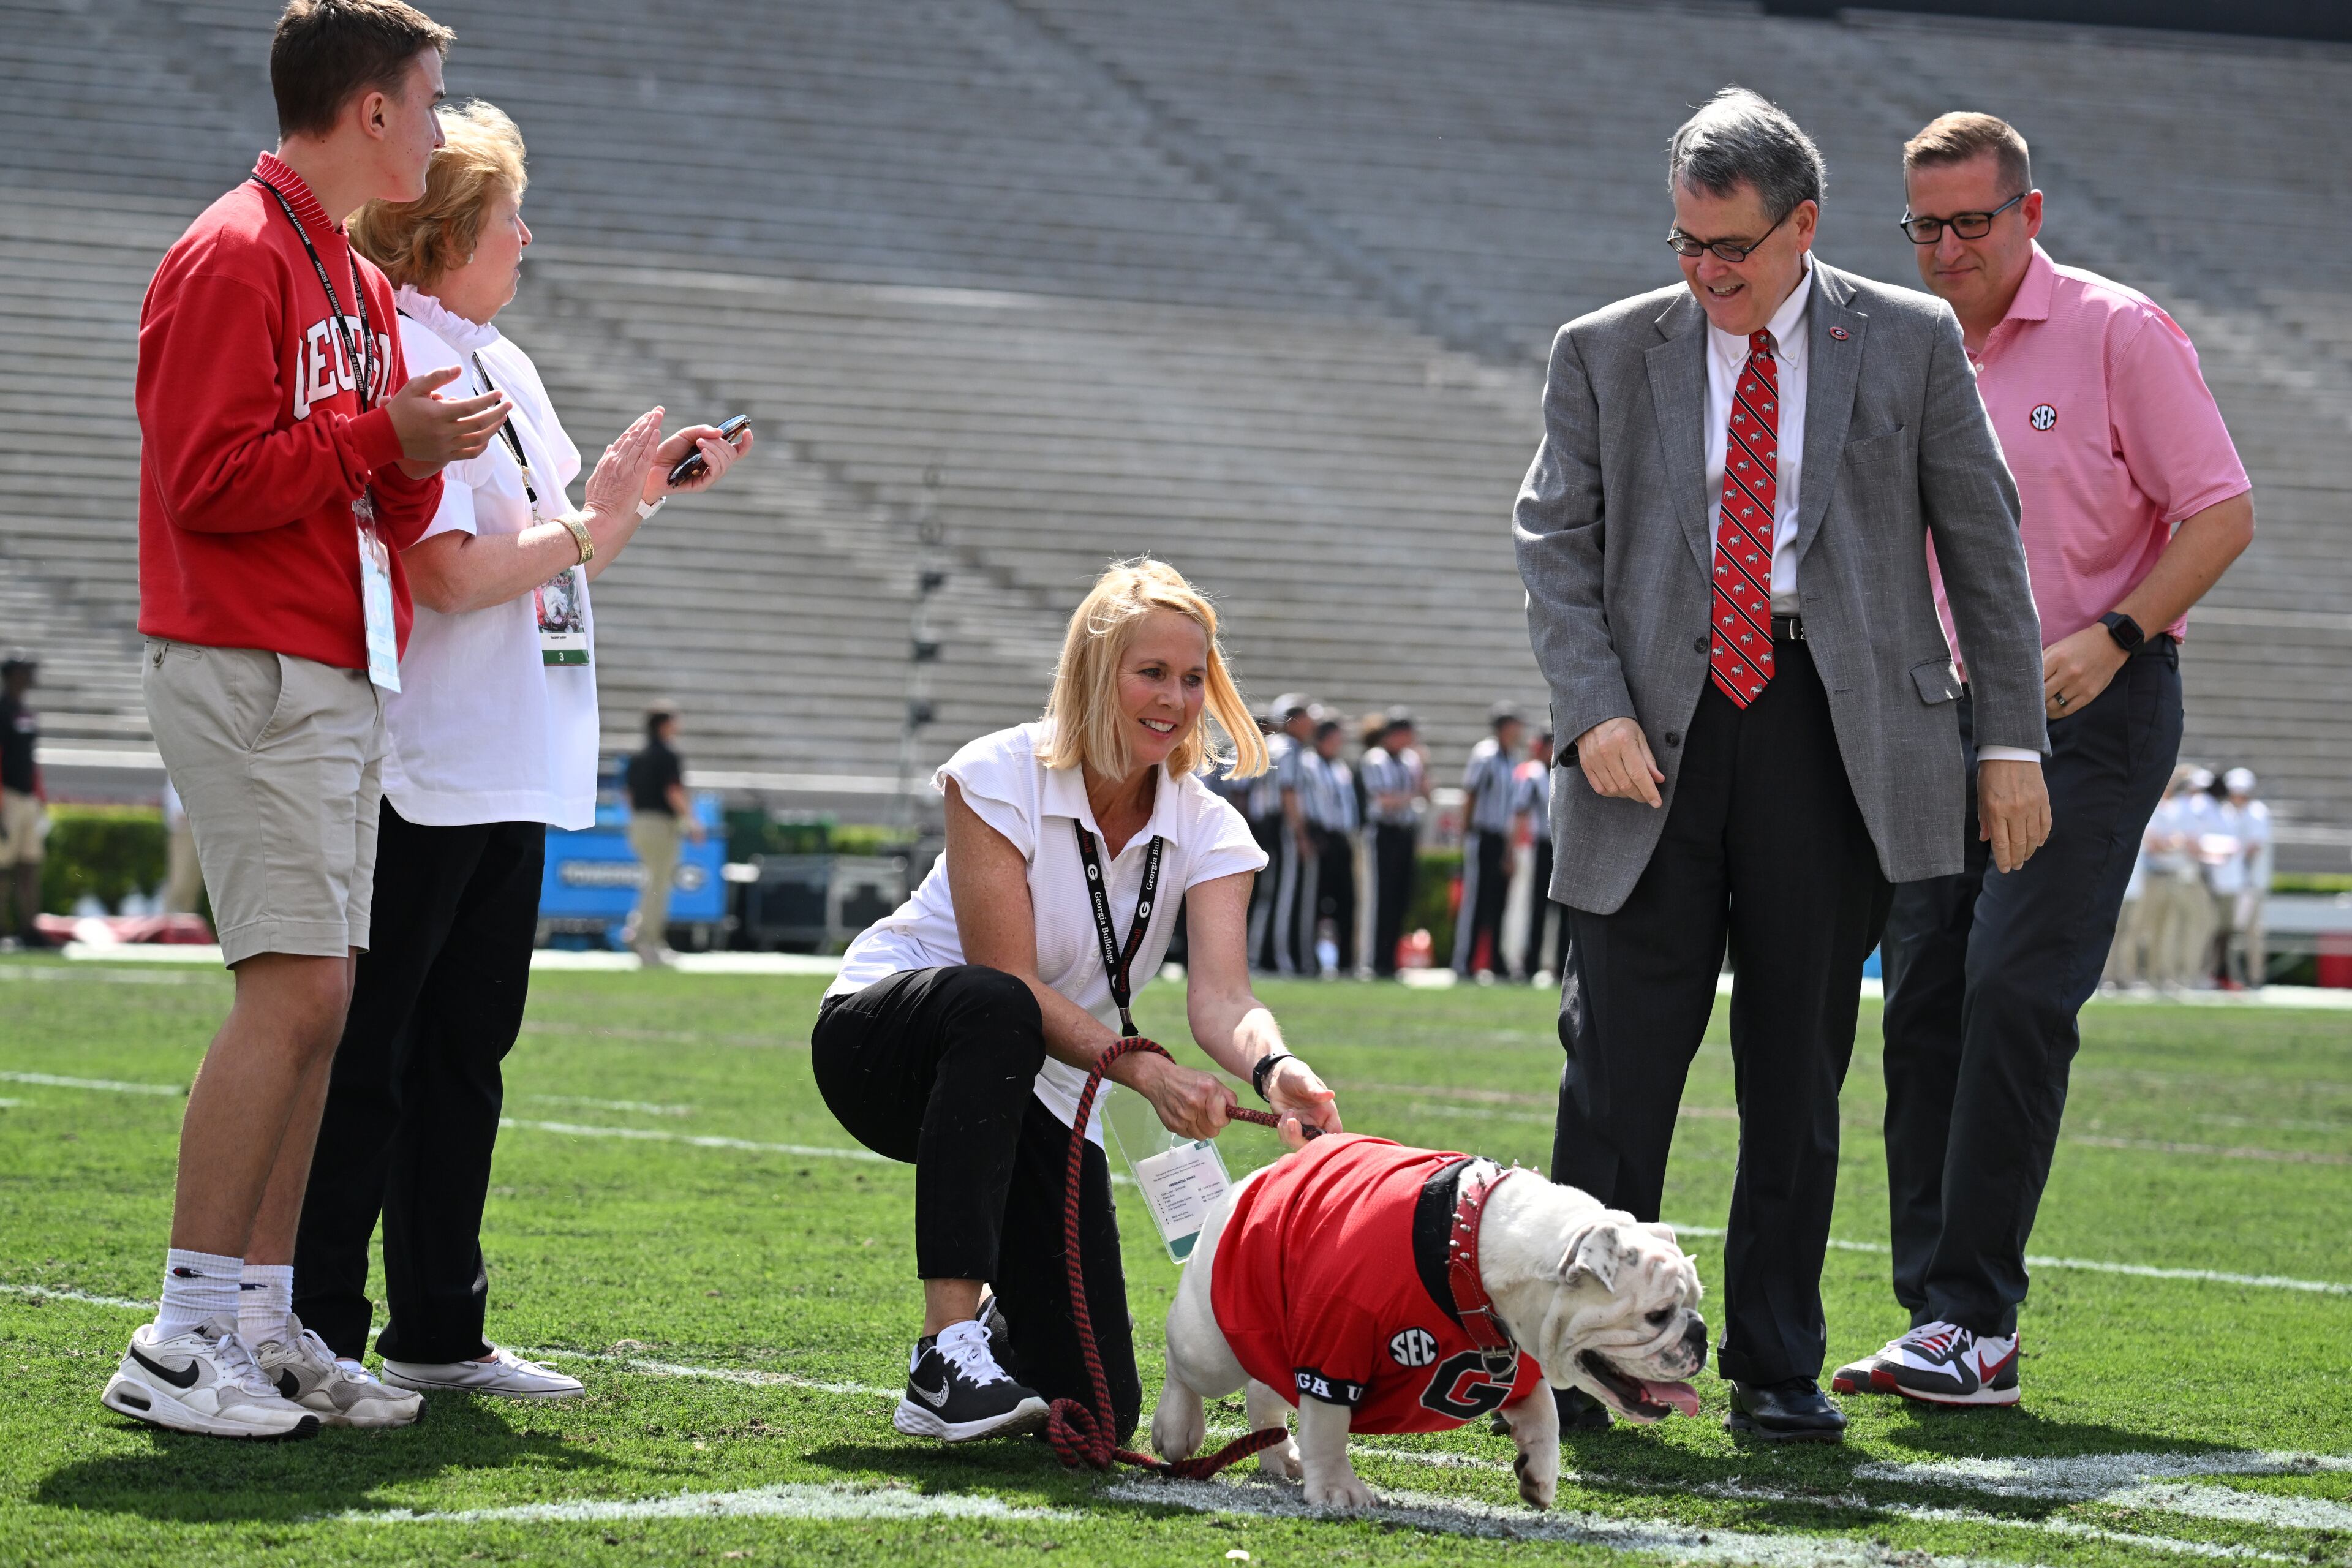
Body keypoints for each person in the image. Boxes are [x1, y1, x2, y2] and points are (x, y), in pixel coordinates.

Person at [1515, 89, 2048, 1442]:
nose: (1705, 272)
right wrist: (1592, 711)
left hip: (1836, 733)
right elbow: (1552, 546)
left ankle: (1774, 1359)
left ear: (1804, 224)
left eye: (1732, 248)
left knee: (1797, 1072)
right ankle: (1580, 1360)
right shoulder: (1602, 348)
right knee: (1616, 1071)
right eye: (1687, 243)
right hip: (1645, 736)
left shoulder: (1914, 341)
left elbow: (1985, 551)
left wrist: (2005, 740)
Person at [291, 100, 748, 1405]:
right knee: (378, 1055)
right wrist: (592, 526)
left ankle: (441, 1325)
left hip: (512, 759)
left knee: (464, 1059)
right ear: (443, 235)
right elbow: (445, 574)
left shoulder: (507, 360)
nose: (527, 234)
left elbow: (560, 536)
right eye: (506, 218)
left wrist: (632, 496)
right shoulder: (413, 360)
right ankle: (319, 1319)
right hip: (428, 761)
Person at [101, 0, 515, 1441]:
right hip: (251, 659)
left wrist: (410, 456)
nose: (446, 120)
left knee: (326, 1005)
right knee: (294, 994)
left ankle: (267, 1320)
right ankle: (181, 1330)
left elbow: (355, 485)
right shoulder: (234, 251)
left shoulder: (335, 262)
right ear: (369, 109)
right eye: (432, 93)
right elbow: (206, 479)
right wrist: (377, 438)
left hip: (332, 660)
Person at [1847, 111, 2256, 1408]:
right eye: (1927, 223)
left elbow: (2222, 507)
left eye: (1975, 219)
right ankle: (1936, 1314)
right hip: (1942, 716)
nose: (1951, 245)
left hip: (2094, 703)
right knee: (1919, 996)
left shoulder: (2119, 331)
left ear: (2029, 215)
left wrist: (2118, 634)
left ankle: (1977, 1314)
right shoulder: (1899, 345)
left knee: (2016, 985)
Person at [812, 559, 1344, 1445]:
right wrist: (1142, 1070)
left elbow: (1222, 997)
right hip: (888, 1048)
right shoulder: (996, 770)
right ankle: (943, 1351)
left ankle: (994, 1329)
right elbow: (1006, 975)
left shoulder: (1210, 825)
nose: (1175, 698)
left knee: (1095, 1417)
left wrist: (1274, 1065)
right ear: (1098, 672)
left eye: (1191, 678)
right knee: (994, 1006)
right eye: (1152, 672)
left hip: (1040, 1088)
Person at [625, 703, 706, 965]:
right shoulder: (667, 756)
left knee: (652, 879)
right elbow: (674, 792)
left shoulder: (638, 756)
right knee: (658, 883)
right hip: (660, 824)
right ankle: (648, 940)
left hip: (639, 823)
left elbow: (628, 793)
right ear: (664, 725)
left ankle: (637, 929)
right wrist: (691, 821)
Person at [1242, 693, 1310, 973]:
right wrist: (1300, 833)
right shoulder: (1290, 748)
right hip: (1280, 826)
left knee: (1265, 894)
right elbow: (1288, 792)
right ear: (1293, 721)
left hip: (1262, 825)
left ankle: (1258, 955)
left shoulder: (1271, 744)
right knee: (1283, 894)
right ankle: (1279, 957)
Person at [1452, 704, 1522, 980]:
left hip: (1501, 838)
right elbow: (1470, 794)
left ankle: (1495, 960)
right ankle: (1464, 961)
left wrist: (1510, 849)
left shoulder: (1513, 759)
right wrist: (1467, 832)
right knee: (1476, 902)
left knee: (1499, 901)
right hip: (1482, 835)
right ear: (1504, 727)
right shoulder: (1485, 756)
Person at [1358, 709, 1426, 979]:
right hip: (1383, 833)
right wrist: (1408, 796)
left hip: (1405, 832)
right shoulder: (1375, 759)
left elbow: (1424, 791)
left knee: (1400, 896)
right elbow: (1383, 800)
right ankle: (1375, 959)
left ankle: (1391, 959)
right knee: (1380, 898)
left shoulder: (1411, 760)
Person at [2140, 766, 2216, 991]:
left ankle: (2178, 975)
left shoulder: (2185, 809)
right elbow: (2172, 844)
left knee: (2181, 927)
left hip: (2183, 874)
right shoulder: (2178, 809)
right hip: (2171, 875)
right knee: (2169, 928)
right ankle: (2170, 975)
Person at [1513, 730, 1570, 985]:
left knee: (1564, 909)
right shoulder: (1534, 774)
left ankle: (1560, 967)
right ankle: (1530, 963)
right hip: (1543, 844)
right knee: (1538, 907)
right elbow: (1521, 812)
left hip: (1564, 846)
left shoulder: (1567, 769)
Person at [1304, 716, 1359, 976]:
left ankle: (1346, 961)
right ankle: (1310, 957)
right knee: (1316, 901)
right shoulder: (1309, 764)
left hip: (1342, 838)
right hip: (1322, 836)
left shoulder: (1340, 768)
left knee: (1346, 902)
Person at [0, 653, 47, 947]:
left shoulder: (24, 712)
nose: (31, 676)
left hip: (27, 799)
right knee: (2, 867)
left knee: (29, 865)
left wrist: (40, 797)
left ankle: (29, 928)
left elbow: (30, 760)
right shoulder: (2, 710)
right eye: (25, 672)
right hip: (7, 796)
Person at [2217, 768, 2272, 989]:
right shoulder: (2226, 811)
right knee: (2229, 934)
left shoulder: (2258, 812)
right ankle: (2232, 977)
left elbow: (2254, 847)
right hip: (2231, 884)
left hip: (2252, 884)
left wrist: (2233, 854)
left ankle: (2256, 977)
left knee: (2253, 933)